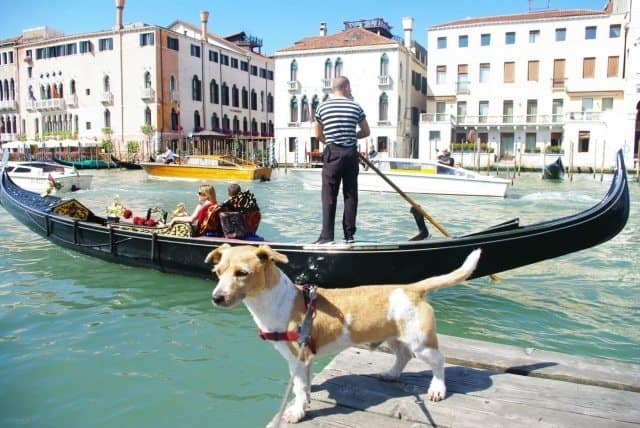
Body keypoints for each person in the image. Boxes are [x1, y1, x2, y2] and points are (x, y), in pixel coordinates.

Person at [313, 76, 370, 244]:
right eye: (349, 88)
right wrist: (353, 136)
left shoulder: (322, 107)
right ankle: (349, 236)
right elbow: (366, 131)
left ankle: (327, 237)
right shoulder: (356, 107)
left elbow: (317, 134)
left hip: (332, 153)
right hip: (351, 154)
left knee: (329, 195)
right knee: (350, 194)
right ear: (346, 87)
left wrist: (328, 141)